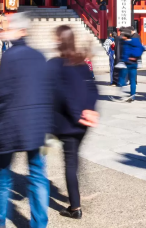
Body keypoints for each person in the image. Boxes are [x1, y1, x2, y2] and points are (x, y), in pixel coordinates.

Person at [0, 13, 52, 228]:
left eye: (8, 27)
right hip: (37, 125)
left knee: (3, 174)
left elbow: (3, 93)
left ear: (21, 31)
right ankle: (39, 224)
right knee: (37, 174)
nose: (5, 30)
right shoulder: (39, 55)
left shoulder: (11, 56)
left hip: (11, 123)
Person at [48, 25, 99, 220]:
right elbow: (93, 90)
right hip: (83, 122)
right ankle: (78, 189)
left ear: (59, 40)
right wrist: (90, 110)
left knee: (70, 162)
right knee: (73, 159)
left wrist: (77, 113)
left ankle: (75, 207)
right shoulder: (82, 63)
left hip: (65, 123)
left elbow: (61, 94)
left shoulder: (54, 64)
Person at [114, 28, 145, 102]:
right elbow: (143, 48)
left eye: (122, 35)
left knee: (121, 78)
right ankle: (132, 96)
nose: (121, 36)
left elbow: (125, 53)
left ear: (125, 36)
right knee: (133, 81)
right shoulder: (136, 41)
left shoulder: (125, 43)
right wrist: (136, 57)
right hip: (134, 63)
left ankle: (122, 92)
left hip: (126, 63)